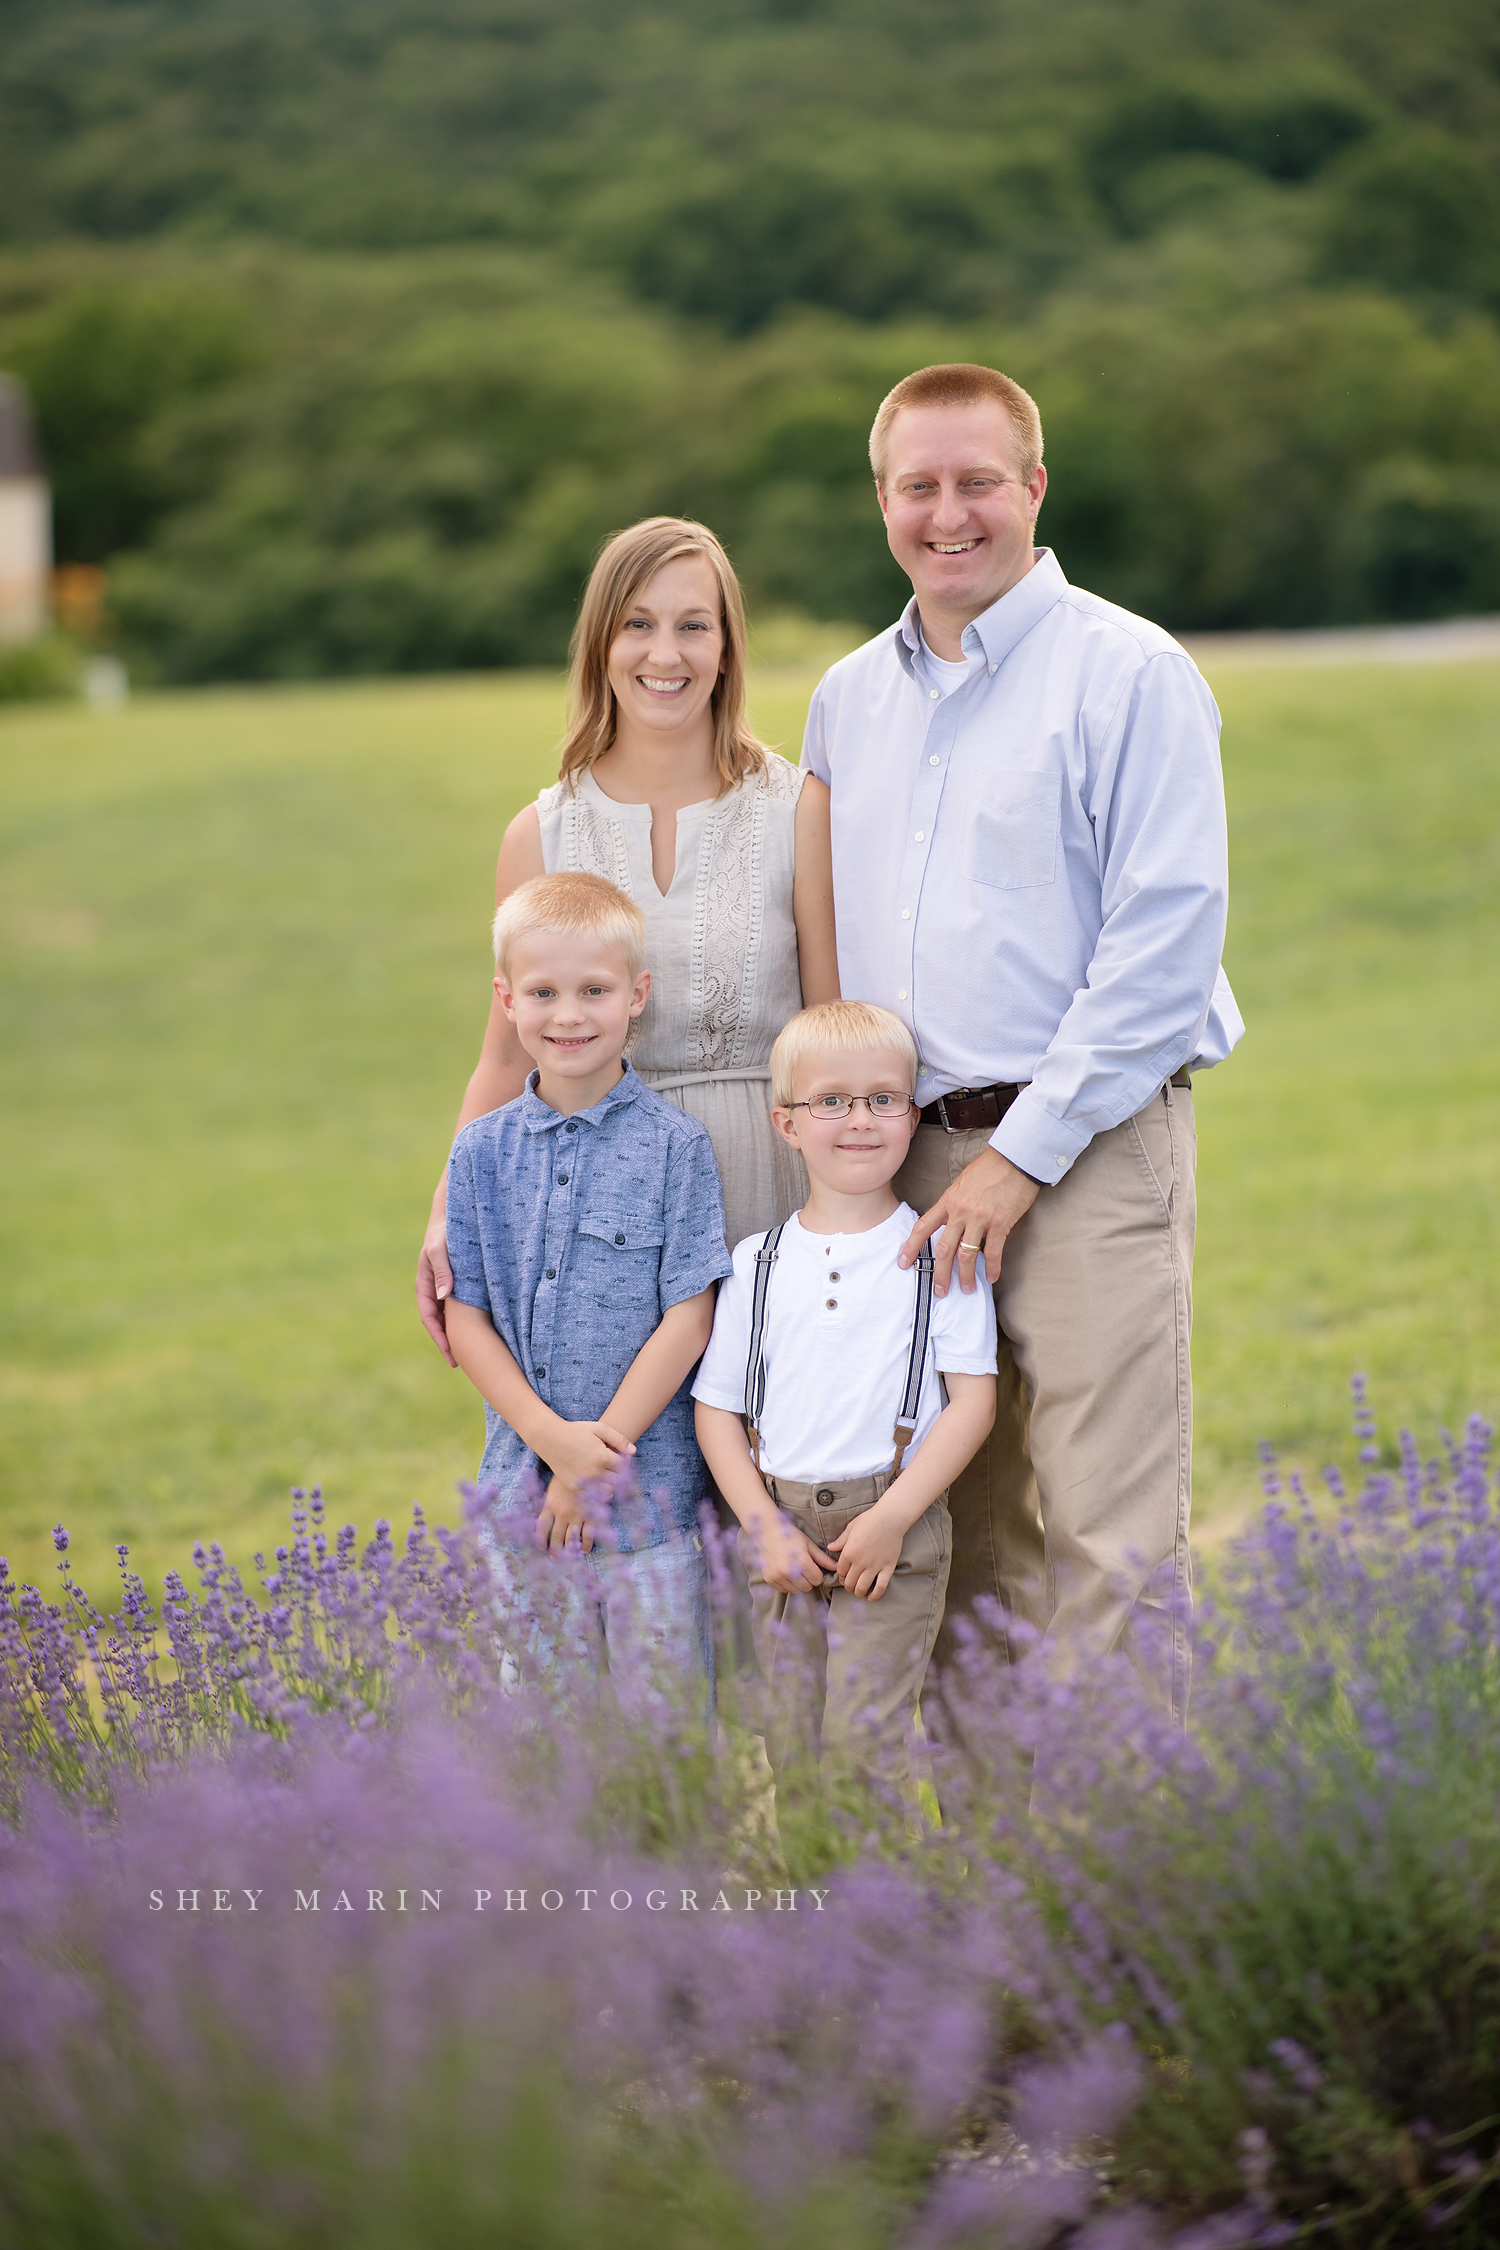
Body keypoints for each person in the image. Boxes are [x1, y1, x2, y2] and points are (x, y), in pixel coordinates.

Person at [801, 363, 1244, 1724]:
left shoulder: (1131, 673)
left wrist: (1021, 1159)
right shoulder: (846, 700)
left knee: (1113, 1545)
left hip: (1093, 1152)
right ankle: (1003, 1895)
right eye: (918, 486)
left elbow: (1163, 951)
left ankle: (1132, 1898)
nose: (950, 514)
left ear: (1034, 488)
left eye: (977, 481)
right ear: (882, 501)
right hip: (907, 1174)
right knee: (962, 1549)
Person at [418, 515, 838, 1357]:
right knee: (625, 1472)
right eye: (638, 625)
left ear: (727, 647)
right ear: (600, 644)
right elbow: (506, 1058)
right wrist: (446, 1216)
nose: (665, 654)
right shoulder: (540, 834)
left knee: (780, 1477)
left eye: (693, 626)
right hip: (594, 1196)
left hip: (778, 1189)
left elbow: (833, 1029)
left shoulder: (798, 810)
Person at [694, 1001, 996, 1791]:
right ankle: (816, 1910)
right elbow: (717, 1410)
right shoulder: (756, 1263)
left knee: (865, 1749)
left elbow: (973, 1404)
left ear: (913, 1113)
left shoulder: (937, 1258)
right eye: (831, 1101)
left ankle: (889, 1915)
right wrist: (761, 1527)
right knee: (791, 1752)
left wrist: (893, 1519)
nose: (859, 1120)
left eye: (883, 1099)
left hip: (890, 1533)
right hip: (779, 1536)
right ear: (787, 1123)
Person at [444, 871, 732, 1698]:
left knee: (663, 1729)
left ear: (637, 994)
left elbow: (689, 1315)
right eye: (543, 992)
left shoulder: (676, 1147)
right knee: (545, 1732)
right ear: (506, 999)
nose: (568, 1014)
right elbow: (466, 1316)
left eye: (594, 990)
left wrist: (585, 1465)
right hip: (522, 1502)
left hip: (652, 1504)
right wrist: (548, 1444)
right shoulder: (481, 1153)